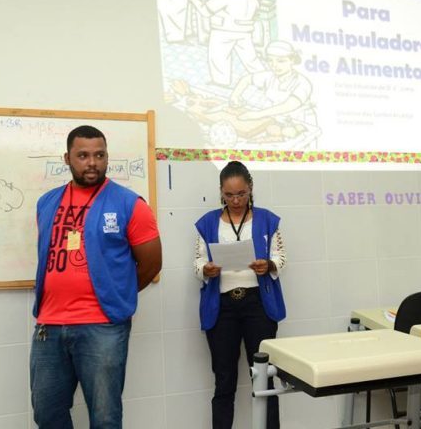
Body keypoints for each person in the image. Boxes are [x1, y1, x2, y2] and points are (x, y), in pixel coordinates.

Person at [31, 125, 162, 429]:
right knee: (46, 414)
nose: (92, 162)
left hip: (101, 326)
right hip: (49, 326)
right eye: (83, 155)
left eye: (99, 155)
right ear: (67, 158)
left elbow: (151, 264)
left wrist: (116, 294)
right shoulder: (46, 203)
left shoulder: (130, 204)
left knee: (104, 418)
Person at [194, 160, 286, 429]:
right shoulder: (208, 223)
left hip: (258, 304)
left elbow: (281, 257)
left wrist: (268, 265)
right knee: (224, 381)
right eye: (230, 194)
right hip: (221, 307)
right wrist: (206, 270)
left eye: (242, 193)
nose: (236, 200)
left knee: (265, 377)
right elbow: (197, 262)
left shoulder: (268, 219)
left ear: (251, 189)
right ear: (221, 192)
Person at [230, 40, 315, 125]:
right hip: (279, 120)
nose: (274, 65)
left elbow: (290, 104)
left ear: (292, 61)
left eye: (281, 61)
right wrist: (235, 96)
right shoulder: (269, 76)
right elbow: (246, 79)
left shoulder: (302, 82)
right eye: (270, 60)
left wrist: (258, 114)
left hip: (301, 122)